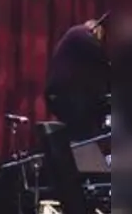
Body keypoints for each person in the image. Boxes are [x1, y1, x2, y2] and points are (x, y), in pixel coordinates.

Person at [44, 13, 111, 141]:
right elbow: (102, 61)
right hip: (67, 96)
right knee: (87, 130)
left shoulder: (73, 41)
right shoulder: (82, 33)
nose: (99, 41)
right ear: (95, 29)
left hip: (58, 94)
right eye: (99, 37)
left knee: (79, 128)